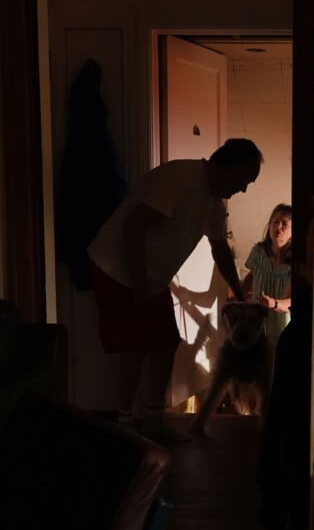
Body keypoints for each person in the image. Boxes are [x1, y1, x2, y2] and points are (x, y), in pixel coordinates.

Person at [87, 138, 264, 441]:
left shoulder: (214, 203)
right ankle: (125, 427)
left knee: (166, 342)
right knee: (133, 349)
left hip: (151, 279)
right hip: (118, 270)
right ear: (231, 167)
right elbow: (133, 228)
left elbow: (220, 250)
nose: (244, 189)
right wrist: (141, 287)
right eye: (245, 180)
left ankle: (154, 420)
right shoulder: (181, 178)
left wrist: (241, 295)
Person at [242, 203, 292, 346]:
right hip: (256, 320)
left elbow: (291, 302)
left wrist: (273, 303)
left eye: (284, 224)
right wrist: (241, 298)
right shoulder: (258, 252)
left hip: (281, 325)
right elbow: (251, 276)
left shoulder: (294, 263)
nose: (278, 227)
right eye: (275, 222)